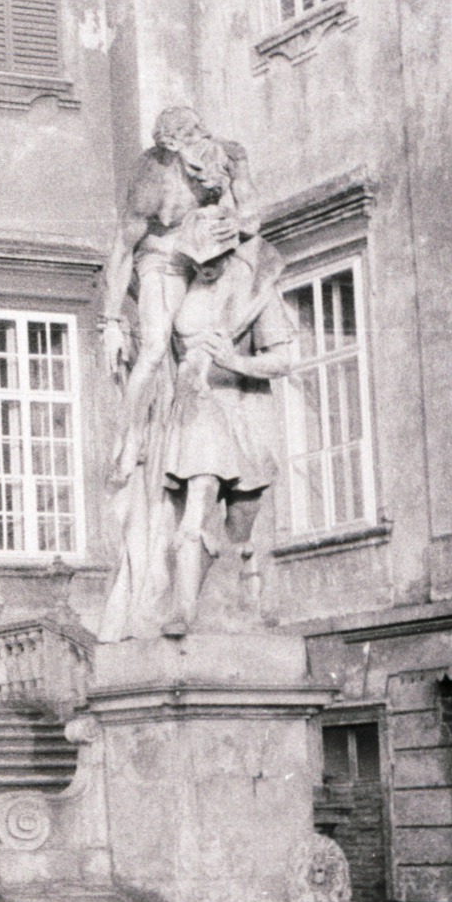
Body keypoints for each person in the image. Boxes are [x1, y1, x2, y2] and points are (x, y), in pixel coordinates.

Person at [100, 107, 258, 485]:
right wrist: (110, 322)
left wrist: (235, 221)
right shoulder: (151, 179)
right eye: (189, 140)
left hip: (209, 259)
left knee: (207, 346)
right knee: (154, 347)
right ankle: (128, 436)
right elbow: (123, 250)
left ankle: (199, 449)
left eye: (201, 135)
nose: (200, 146)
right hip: (161, 261)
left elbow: (252, 217)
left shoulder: (229, 156)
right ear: (170, 146)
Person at [157, 232, 296, 637]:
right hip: (196, 408)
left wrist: (234, 360)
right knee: (195, 504)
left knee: (241, 522)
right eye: (197, 257)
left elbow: (284, 358)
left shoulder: (253, 293)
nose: (206, 265)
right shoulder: (177, 285)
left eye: (214, 256)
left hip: (242, 410)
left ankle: (233, 609)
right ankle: (182, 608)